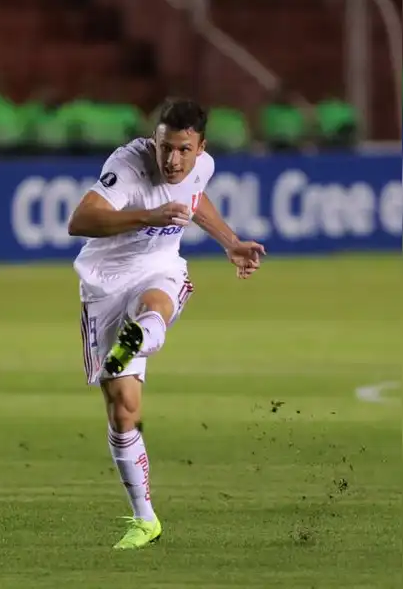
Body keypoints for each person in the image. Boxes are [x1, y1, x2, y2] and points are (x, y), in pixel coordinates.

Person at [66, 99, 266, 550]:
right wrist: (149, 215)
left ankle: (138, 340)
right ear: (153, 141)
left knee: (156, 305)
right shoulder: (128, 166)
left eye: (182, 150)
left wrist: (230, 242)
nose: (172, 160)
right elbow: (79, 221)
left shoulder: (200, 166)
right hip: (104, 285)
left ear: (200, 149)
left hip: (159, 268)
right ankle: (146, 519)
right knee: (124, 411)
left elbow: (195, 200)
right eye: (165, 148)